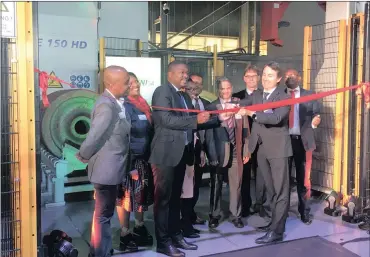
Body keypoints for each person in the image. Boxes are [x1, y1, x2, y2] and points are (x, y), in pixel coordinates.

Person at [150, 61, 223, 257]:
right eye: (182, 73)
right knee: (163, 200)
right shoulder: (162, 92)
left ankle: (175, 235)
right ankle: (163, 242)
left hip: (182, 153)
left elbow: (193, 123)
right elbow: (165, 120)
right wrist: (195, 120)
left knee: (175, 199)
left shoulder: (182, 95)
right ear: (170, 73)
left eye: (186, 73)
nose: (186, 76)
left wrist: (220, 120)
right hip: (166, 154)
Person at [77, 65, 131, 257]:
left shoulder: (115, 102)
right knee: (103, 216)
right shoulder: (106, 106)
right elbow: (95, 136)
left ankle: (100, 250)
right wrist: (84, 154)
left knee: (103, 214)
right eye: (125, 81)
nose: (129, 84)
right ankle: (100, 253)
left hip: (111, 168)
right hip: (106, 169)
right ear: (110, 83)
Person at [238, 61, 292, 244]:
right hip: (261, 148)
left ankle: (277, 231)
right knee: (269, 190)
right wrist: (219, 106)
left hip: (278, 149)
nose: (265, 79)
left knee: (280, 191)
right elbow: (240, 104)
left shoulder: (284, 96)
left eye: (270, 76)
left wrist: (252, 113)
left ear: (278, 79)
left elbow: (276, 118)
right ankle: (271, 222)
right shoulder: (258, 95)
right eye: (264, 75)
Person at [115, 72, 154, 251]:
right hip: (129, 161)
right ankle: (124, 233)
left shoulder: (143, 104)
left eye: (136, 81)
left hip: (143, 159)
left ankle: (139, 227)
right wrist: (130, 167)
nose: (135, 85)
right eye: (130, 83)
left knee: (140, 197)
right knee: (126, 198)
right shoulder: (124, 106)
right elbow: (124, 137)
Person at [206, 77, 250, 229]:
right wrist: (210, 154)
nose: (226, 91)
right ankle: (214, 215)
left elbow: (245, 129)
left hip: (236, 148)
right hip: (218, 151)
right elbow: (208, 134)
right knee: (216, 184)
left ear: (232, 88)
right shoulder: (212, 107)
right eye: (223, 88)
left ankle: (235, 215)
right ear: (218, 90)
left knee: (236, 184)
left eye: (228, 88)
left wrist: (246, 149)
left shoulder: (239, 105)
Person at [283, 68, 321, 225]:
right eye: (287, 76)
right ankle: (281, 212)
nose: (290, 78)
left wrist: (315, 121)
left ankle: (304, 211)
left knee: (303, 179)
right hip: (284, 141)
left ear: (299, 77)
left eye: (293, 75)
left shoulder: (310, 95)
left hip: (303, 141)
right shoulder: (279, 95)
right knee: (283, 179)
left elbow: (316, 114)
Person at [232, 64, 267, 217]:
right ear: (244, 78)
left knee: (263, 174)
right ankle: (245, 206)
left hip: (262, 140)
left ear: (258, 78)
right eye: (248, 76)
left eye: (254, 76)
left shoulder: (265, 95)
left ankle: (261, 205)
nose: (251, 79)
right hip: (244, 141)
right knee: (244, 175)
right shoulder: (237, 97)